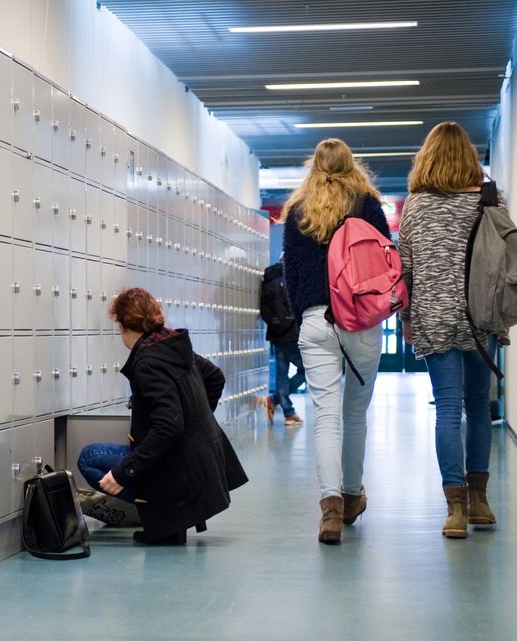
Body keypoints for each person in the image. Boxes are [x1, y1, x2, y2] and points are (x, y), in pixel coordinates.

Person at [281, 138, 391, 544]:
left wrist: (304, 319)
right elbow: (385, 260)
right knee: (355, 415)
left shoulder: (298, 210)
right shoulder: (367, 205)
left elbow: (291, 273)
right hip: (360, 319)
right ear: (351, 165)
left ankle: (329, 509)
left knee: (325, 417)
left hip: (316, 320)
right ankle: (351, 496)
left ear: (314, 166)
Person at [398, 121, 501, 539]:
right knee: (478, 406)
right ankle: (480, 502)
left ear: (428, 157)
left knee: (447, 409)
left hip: (434, 317)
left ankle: (455, 509)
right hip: (482, 317)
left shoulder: (416, 206)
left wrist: (406, 319)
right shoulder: (489, 201)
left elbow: (404, 269)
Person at [81, 287, 248, 545]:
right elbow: (215, 377)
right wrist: (195, 427)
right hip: (198, 462)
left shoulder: (148, 362)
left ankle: (162, 516)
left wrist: (123, 473)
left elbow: (168, 427)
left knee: (89, 458)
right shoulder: (171, 345)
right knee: (107, 456)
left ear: (123, 325)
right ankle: (166, 518)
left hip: (178, 469)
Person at [259, 259, 305, 427]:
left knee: (282, 373)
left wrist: (276, 325)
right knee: (306, 370)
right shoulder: (292, 279)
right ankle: (277, 401)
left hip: (275, 333)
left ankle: (288, 412)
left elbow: (263, 310)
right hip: (292, 333)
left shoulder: (268, 279)